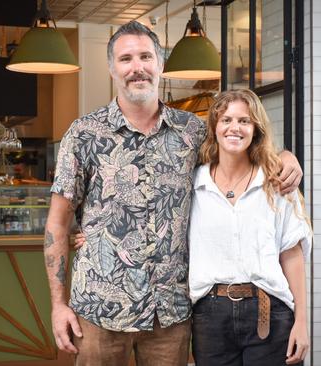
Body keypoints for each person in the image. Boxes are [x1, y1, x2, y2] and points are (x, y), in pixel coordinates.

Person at [44, 21, 303, 366]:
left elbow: (242, 152)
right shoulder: (84, 134)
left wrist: (286, 156)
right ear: (111, 68)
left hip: (170, 316)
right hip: (99, 312)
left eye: (146, 56)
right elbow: (58, 225)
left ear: (160, 65)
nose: (137, 67)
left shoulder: (193, 132)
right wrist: (58, 304)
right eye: (126, 59)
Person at [189, 89, 311, 365]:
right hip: (210, 316)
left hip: (270, 312)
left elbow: (292, 255)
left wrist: (302, 321)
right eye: (226, 120)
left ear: (256, 129)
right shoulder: (193, 184)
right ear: (215, 127)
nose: (235, 127)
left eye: (244, 120)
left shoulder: (277, 184)